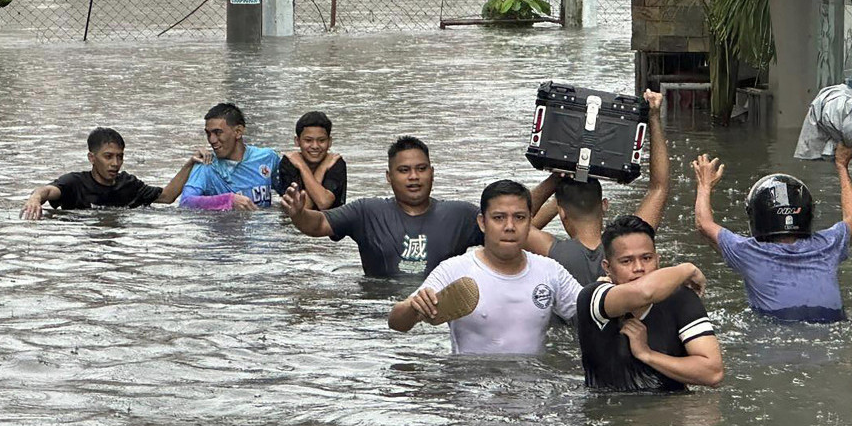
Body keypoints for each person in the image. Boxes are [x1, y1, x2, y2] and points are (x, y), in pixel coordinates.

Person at [389, 180, 581, 354]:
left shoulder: (549, 271)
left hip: (531, 387)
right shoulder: (454, 270)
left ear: (530, 221)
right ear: (482, 222)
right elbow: (397, 323)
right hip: (471, 386)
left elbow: (590, 311)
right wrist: (413, 308)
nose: (509, 226)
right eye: (498, 218)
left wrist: (603, 291)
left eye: (519, 217)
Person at [692, 145, 852, 322]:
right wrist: (842, 165)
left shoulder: (748, 252)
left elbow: (703, 224)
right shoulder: (829, 245)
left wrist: (705, 185)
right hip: (832, 327)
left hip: (778, 331)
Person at [281, 135, 483, 277]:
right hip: (379, 318)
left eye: (421, 169)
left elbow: (506, 242)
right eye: (404, 170)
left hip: (437, 317)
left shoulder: (461, 215)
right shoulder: (367, 212)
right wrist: (299, 214)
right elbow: (318, 225)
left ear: (432, 173)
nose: (414, 177)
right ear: (389, 176)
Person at [526, 89, 669, 285]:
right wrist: (653, 117)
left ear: (561, 212)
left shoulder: (555, 253)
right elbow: (659, 188)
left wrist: (555, 180)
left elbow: (515, 223)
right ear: (604, 205)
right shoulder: (629, 247)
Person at [576, 215, 723, 392]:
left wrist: (647, 354)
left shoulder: (681, 299)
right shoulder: (594, 296)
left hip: (672, 411)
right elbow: (644, 292)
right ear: (607, 267)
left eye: (646, 258)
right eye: (626, 261)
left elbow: (713, 373)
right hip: (611, 412)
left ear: (657, 260)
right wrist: (686, 269)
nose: (639, 268)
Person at [21, 127, 205, 220]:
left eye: (120, 157)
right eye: (108, 157)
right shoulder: (74, 183)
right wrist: (34, 199)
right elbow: (46, 191)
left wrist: (190, 164)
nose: (115, 164)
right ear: (92, 158)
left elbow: (167, 197)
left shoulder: (129, 184)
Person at [180, 103, 281, 211]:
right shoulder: (206, 165)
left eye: (217, 133)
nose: (211, 140)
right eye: (208, 134)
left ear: (238, 132)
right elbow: (186, 202)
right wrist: (228, 200)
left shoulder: (268, 157)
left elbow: (289, 194)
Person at [273, 110, 347, 210]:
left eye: (321, 140)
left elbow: (324, 202)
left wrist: (305, 167)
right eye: (308, 140)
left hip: (331, 222)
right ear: (297, 141)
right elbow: (301, 209)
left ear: (329, 142)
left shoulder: (335, 162)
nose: (315, 146)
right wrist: (307, 167)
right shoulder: (290, 162)